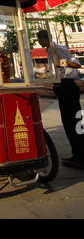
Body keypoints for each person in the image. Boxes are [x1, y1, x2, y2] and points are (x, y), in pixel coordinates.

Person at [37, 30, 84, 169]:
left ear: (45, 39)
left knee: (73, 123)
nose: (39, 42)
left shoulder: (59, 49)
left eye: (39, 39)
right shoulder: (50, 51)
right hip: (62, 88)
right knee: (68, 124)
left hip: (68, 87)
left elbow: (76, 64)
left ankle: (80, 158)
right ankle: (77, 155)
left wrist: (61, 65)